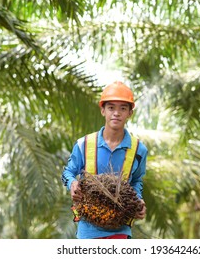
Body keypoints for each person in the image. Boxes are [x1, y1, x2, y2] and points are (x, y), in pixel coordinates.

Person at [61, 81, 148, 239]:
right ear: (103, 110)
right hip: (88, 231)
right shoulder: (84, 144)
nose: (116, 113)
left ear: (130, 113)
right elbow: (68, 172)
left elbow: (136, 181)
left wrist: (139, 200)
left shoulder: (139, 150)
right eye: (111, 107)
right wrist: (72, 183)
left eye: (123, 108)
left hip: (121, 231)